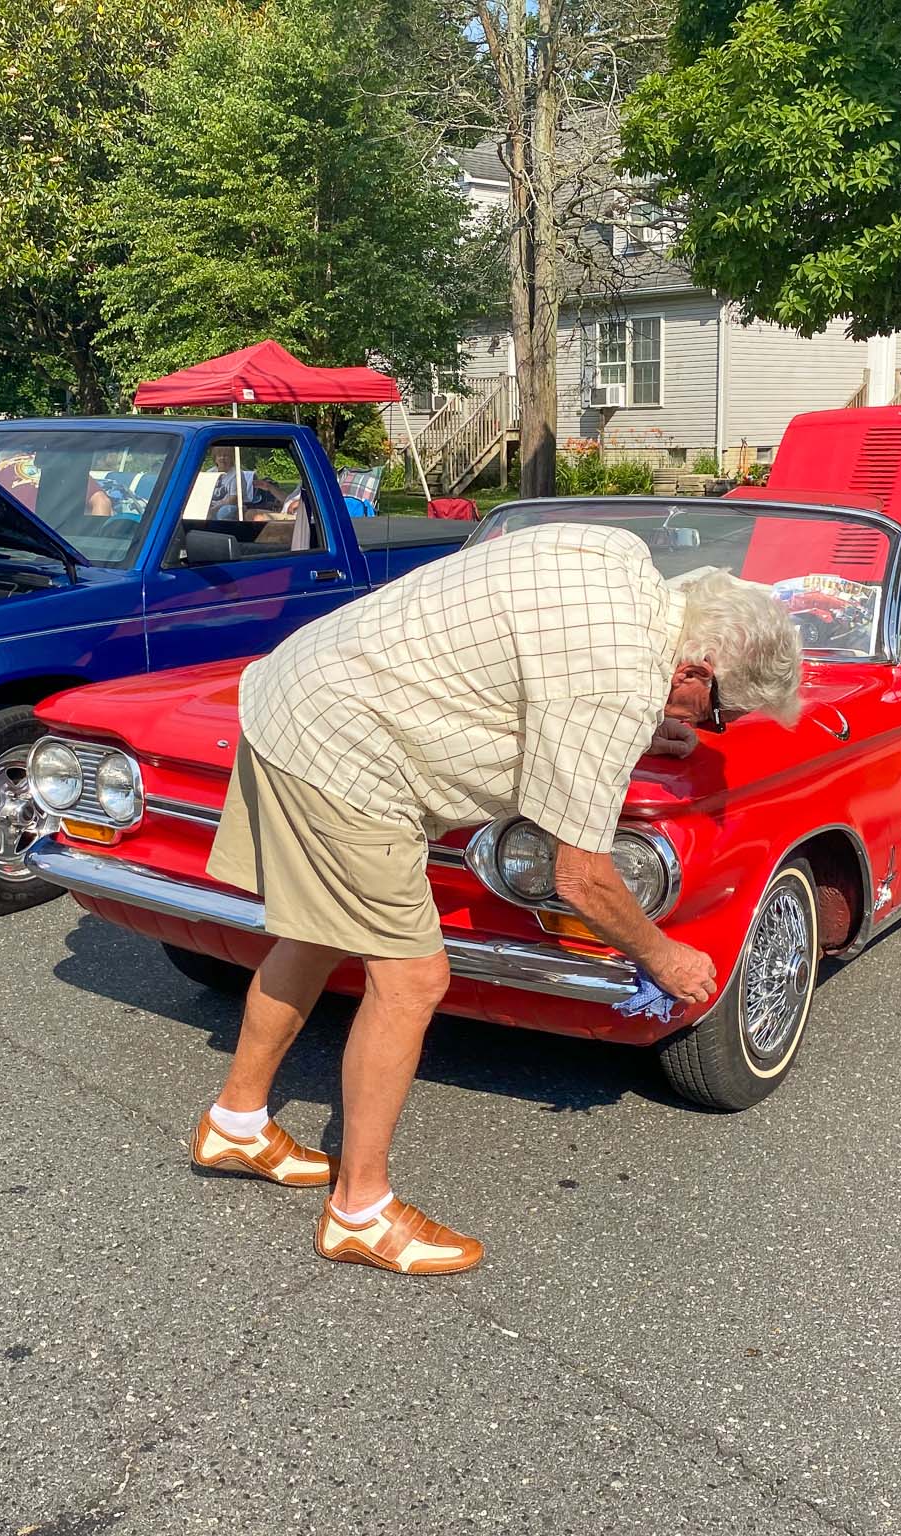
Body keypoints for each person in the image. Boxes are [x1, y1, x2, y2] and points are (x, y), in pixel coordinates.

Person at [189, 521, 804, 1274]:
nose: (702, 728)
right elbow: (580, 876)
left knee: (320, 932)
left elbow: (533, 663)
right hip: (348, 752)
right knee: (413, 981)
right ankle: (360, 1212)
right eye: (716, 715)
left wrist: (639, 725)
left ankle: (236, 1124)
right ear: (696, 673)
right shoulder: (613, 683)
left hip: (296, 697)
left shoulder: (616, 559)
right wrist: (663, 956)